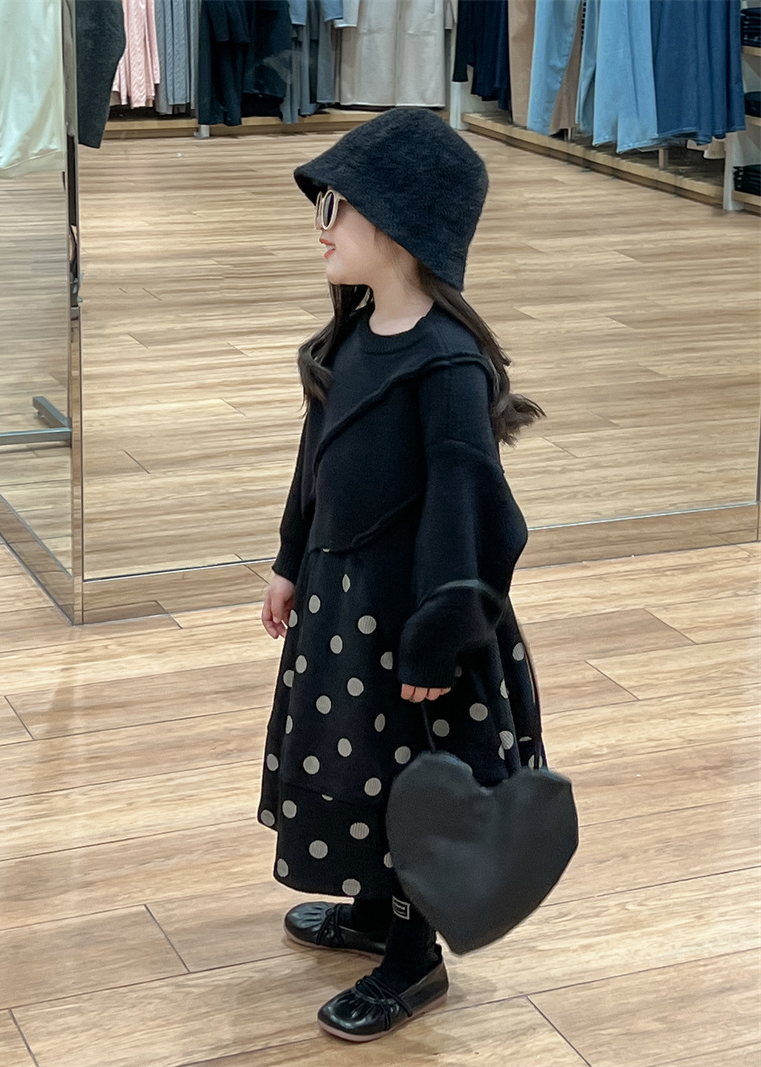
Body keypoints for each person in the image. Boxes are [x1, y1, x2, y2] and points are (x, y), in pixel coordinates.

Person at [258, 107, 545, 1043]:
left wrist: (439, 635)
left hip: (415, 623)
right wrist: (290, 560)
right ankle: (376, 908)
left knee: (416, 780)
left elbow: (471, 513)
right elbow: (315, 466)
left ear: (400, 222)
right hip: (344, 608)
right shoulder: (349, 340)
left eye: (335, 205)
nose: (320, 225)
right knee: (355, 760)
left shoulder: (447, 366)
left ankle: (416, 956)